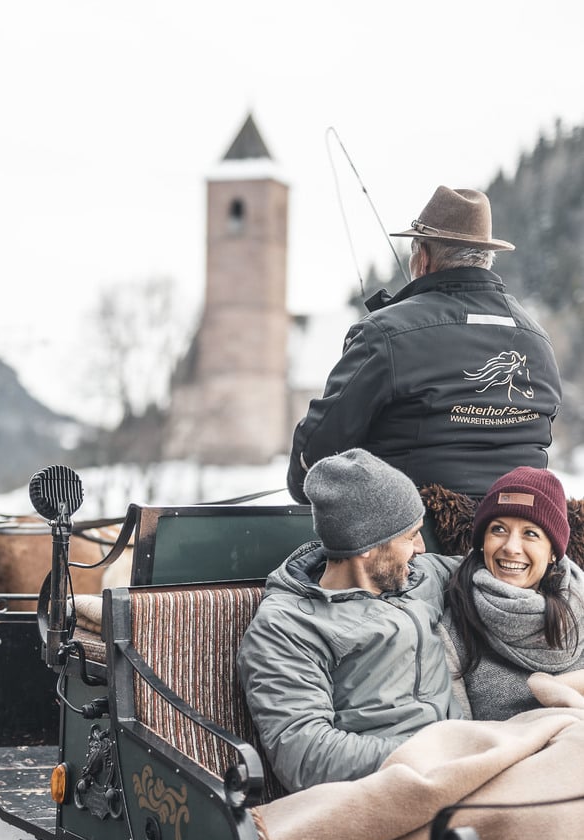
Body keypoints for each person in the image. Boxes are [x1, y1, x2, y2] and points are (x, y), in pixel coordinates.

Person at [287, 186, 563, 508]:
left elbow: (314, 461)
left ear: (424, 258)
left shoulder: (383, 334)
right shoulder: (540, 342)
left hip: (413, 542)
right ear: (486, 259)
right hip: (516, 537)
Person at [237, 448, 463, 793]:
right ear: (366, 546)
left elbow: (492, 572)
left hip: (466, 763)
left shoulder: (416, 577)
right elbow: (306, 756)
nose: (420, 548)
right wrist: (431, 756)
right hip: (384, 789)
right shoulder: (287, 627)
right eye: (409, 536)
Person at [442, 466, 584, 721]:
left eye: (530, 533)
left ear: (553, 552)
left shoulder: (580, 603)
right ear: (482, 540)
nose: (511, 547)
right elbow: (457, 736)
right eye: (498, 529)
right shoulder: (454, 627)